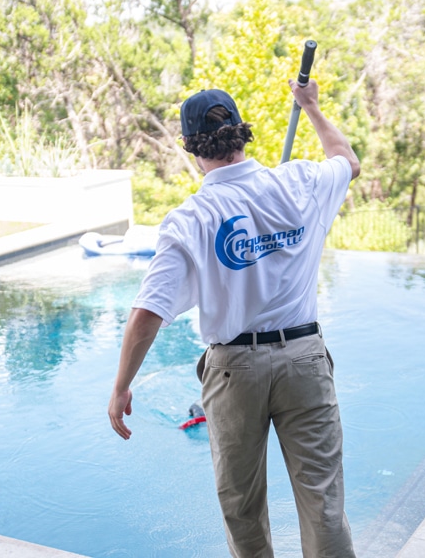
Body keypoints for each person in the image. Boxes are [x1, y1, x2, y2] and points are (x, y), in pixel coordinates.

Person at [108, 79, 360, 557]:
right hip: (305, 360)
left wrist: (121, 386)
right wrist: (311, 108)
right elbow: (348, 161)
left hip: (234, 369)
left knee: (242, 507)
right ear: (242, 134)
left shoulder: (191, 218)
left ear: (189, 146)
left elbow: (147, 314)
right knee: (323, 503)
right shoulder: (301, 181)